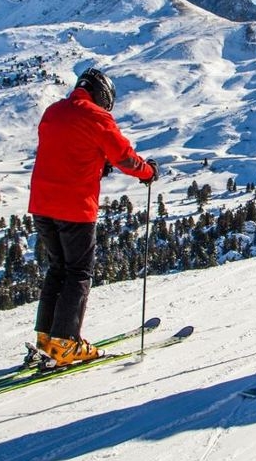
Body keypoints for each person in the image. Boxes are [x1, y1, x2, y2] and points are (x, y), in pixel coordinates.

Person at [28, 67, 158, 368]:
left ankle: (46, 338)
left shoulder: (53, 112)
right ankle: (65, 343)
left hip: (41, 205)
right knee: (78, 273)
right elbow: (124, 156)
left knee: (57, 269)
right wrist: (148, 172)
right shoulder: (96, 116)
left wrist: (96, 161)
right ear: (102, 96)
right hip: (74, 208)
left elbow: (66, 150)